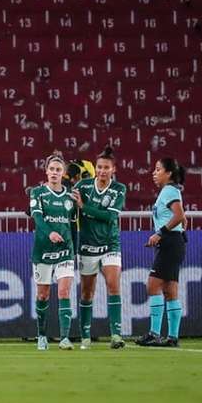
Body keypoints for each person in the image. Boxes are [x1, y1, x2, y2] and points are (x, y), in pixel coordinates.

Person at [70, 147, 127, 349]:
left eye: (106, 168)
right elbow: (68, 203)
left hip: (110, 244)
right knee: (87, 292)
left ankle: (116, 336)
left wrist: (85, 208)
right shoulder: (83, 186)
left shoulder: (119, 189)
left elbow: (110, 217)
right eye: (99, 167)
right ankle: (85, 336)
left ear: (113, 169)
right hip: (87, 245)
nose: (102, 171)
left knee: (113, 285)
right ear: (95, 168)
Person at [27, 153, 78, 350]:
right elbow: (38, 219)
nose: (55, 173)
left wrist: (75, 246)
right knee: (43, 295)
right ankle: (41, 335)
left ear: (63, 173)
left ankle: (65, 338)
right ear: (46, 171)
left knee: (64, 292)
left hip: (65, 250)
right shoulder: (37, 193)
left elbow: (73, 224)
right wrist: (50, 233)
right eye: (52, 169)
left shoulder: (70, 195)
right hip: (43, 250)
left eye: (58, 170)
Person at [136, 158, 188, 348]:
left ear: (169, 173)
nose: (154, 173)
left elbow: (179, 215)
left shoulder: (168, 191)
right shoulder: (172, 191)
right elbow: (183, 218)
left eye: (158, 169)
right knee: (169, 290)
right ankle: (172, 337)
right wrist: (178, 231)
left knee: (153, 285)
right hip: (174, 242)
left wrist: (161, 233)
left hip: (169, 242)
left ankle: (154, 333)